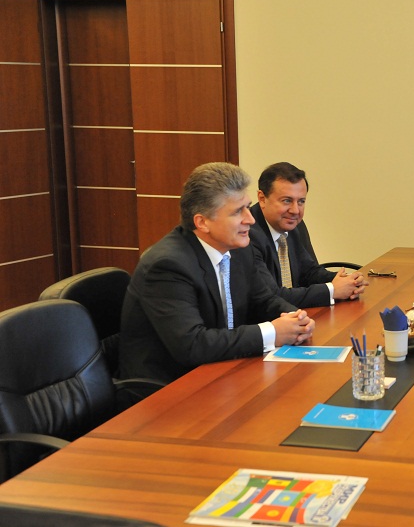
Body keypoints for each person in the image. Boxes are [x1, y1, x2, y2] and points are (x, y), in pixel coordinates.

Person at [120, 162, 315, 386]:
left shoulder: (239, 249)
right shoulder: (167, 266)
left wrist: (295, 319)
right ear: (202, 222)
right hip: (169, 387)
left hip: (223, 369)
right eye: (237, 212)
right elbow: (193, 345)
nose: (250, 219)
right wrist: (271, 332)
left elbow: (263, 300)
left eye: (247, 207)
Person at [249, 162, 367, 308]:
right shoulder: (246, 233)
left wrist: (347, 281)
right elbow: (272, 296)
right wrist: (332, 290)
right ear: (262, 198)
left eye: (301, 201)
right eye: (287, 201)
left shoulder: (292, 223)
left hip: (295, 315)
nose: (295, 210)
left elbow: (309, 272)